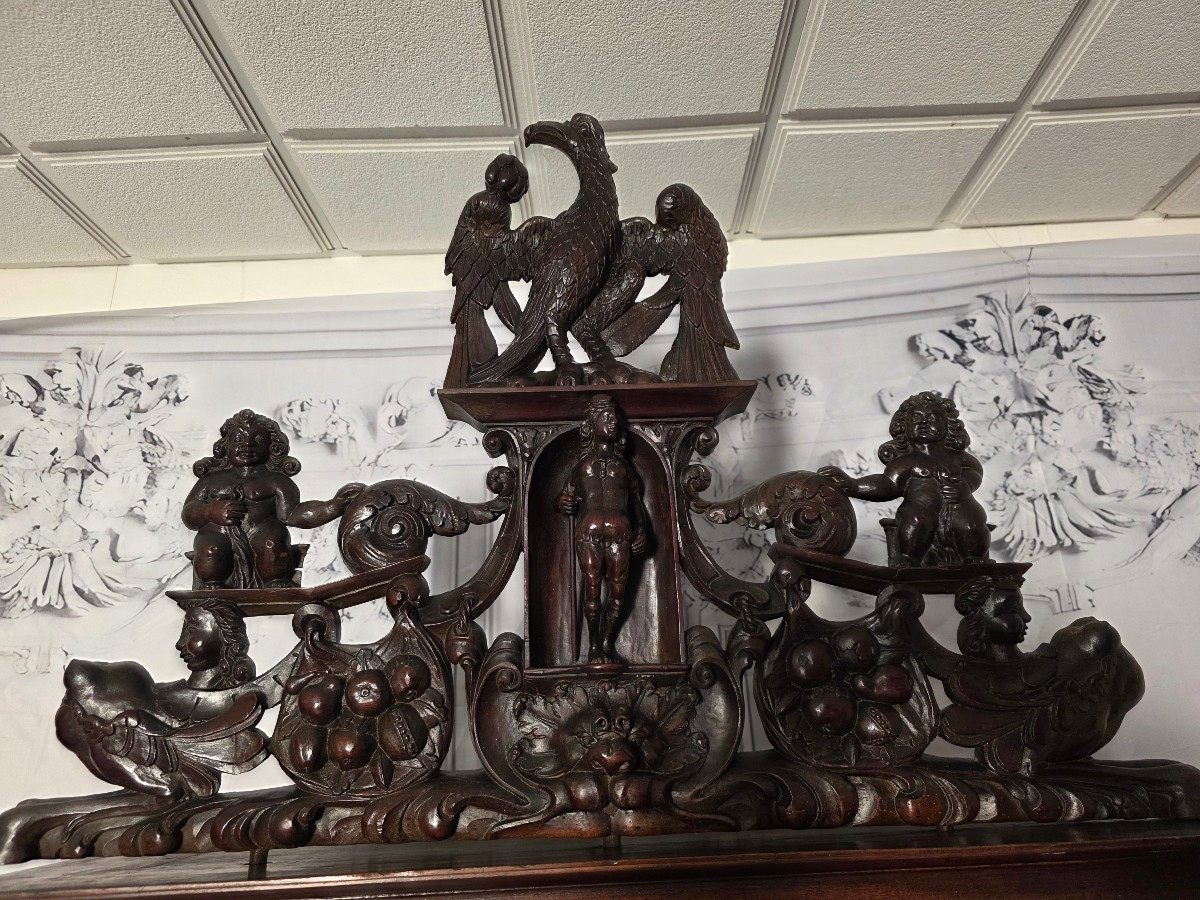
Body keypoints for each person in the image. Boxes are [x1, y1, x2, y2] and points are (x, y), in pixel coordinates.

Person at [183, 409, 363, 588]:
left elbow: (293, 514)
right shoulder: (210, 480)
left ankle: (276, 582)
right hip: (219, 534)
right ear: (225, 446)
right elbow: (189, 513)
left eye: (259, 440)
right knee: (211, 549)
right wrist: (208, 511)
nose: (247, 445)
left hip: (261, 532)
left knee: (272, 543)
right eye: (238, 439)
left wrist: (332, 506)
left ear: (273, 448)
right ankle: (212, 585)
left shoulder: (277, 481)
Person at [820, 391, 990, 566]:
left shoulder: (959, 458)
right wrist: (854, 485)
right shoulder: (906, 461)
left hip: (960, 507)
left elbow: (974, 472)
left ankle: (976, 560)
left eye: (932, 418)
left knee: (970, 525)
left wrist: (966, 485)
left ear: (949, 425)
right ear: (903, 427)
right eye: (916, 418)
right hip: (921, 507)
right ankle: (908, 560)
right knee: (916, 520)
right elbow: (888, 483)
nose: (924, 423)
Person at [557, 395, 649, 665]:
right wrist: (561, 502)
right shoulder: (582, 466)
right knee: (592, 589)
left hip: (621, 533)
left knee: (618, 594)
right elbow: (565, 495)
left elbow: (636, 503)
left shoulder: (624, 468)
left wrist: (642, 528)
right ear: (591, 424)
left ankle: (608, 642)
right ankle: (594, 646)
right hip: (589, 533)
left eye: (615, 417)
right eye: (606, 417)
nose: (613, 421)